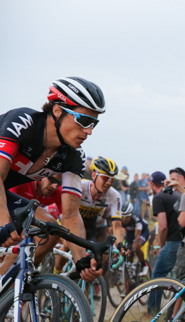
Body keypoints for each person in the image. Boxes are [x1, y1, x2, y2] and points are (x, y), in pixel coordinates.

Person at [0, 77, 106, 282]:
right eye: (83, 121)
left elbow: (70, 214)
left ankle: (10, 288)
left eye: (94, 123)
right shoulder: (23, 122)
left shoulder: (74, 156)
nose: (89, 131)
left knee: (50, 227)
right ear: (57, 110)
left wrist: (81, 259)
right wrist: (4, 223)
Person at [147, 171, 182, 312]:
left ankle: (153, 310)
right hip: (184, 241)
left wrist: (162, 246)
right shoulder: (177, 195)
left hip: (172, 241)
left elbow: (162, 226)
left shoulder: (159, 198)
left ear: (151, 183)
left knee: (157, 276)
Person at [120, 201, 149, 276]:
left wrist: (132, 250)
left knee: (136, 247)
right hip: (130, 233)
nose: (124, 219)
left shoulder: (137, 219)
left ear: (131, 214)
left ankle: (144, 265)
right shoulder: (120, 219)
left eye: (126, 217)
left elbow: (137, 237)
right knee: (127, 249)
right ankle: (130, 270)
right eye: (122, 216)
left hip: (143, 232)